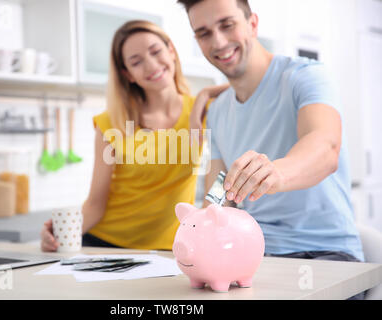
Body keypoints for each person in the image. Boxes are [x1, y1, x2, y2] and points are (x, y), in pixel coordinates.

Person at [178, 0, 365, 268]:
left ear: (252, 24)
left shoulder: (306, 76)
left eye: (227, 25)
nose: (218, 42)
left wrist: (275, 173)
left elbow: (325, 147)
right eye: (204, 33)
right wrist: (202, 223)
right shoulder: (217, 111)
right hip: (254, 255)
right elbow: (220, 187)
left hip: (324, 254)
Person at [41, 20, 228, 251]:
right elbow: (95, 204)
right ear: (127, 74)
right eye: (136, 62)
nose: (151, 65)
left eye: (156, 51)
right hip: (105, 245)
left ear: (171, 52)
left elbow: (221, 179)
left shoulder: (203, 110)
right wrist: (58, 234)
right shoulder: (110, 123)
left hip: (173, 248)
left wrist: (206, 93)